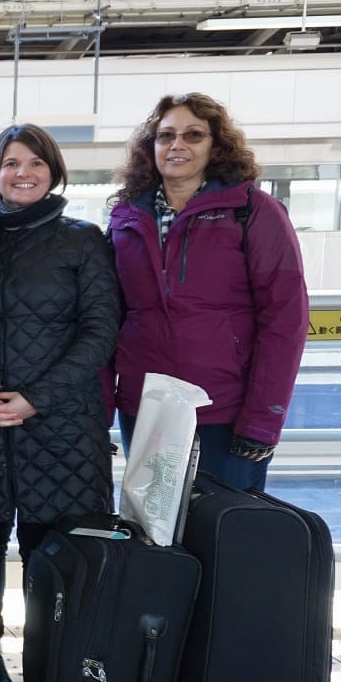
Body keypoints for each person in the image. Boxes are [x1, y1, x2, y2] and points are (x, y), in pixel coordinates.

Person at [0, 124, 121, 682]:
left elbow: (100, 332)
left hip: (62, 426)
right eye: (11, 163)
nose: (23, 173)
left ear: (54, 170)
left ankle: (59, 680)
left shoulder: (82, 240)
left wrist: (34, 398)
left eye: (35, 162)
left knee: (62, 565)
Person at [108, 93, 308, 492]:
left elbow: (286, 318)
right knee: (155, 544)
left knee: (225, 539)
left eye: (193, 135)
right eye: (166, 136)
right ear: (152, 147)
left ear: (215, 146)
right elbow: (109, 316)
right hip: (145, 408)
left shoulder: (252, 211)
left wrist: (264, 419)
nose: (177, 145)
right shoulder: (125, 218)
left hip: (224, 410)